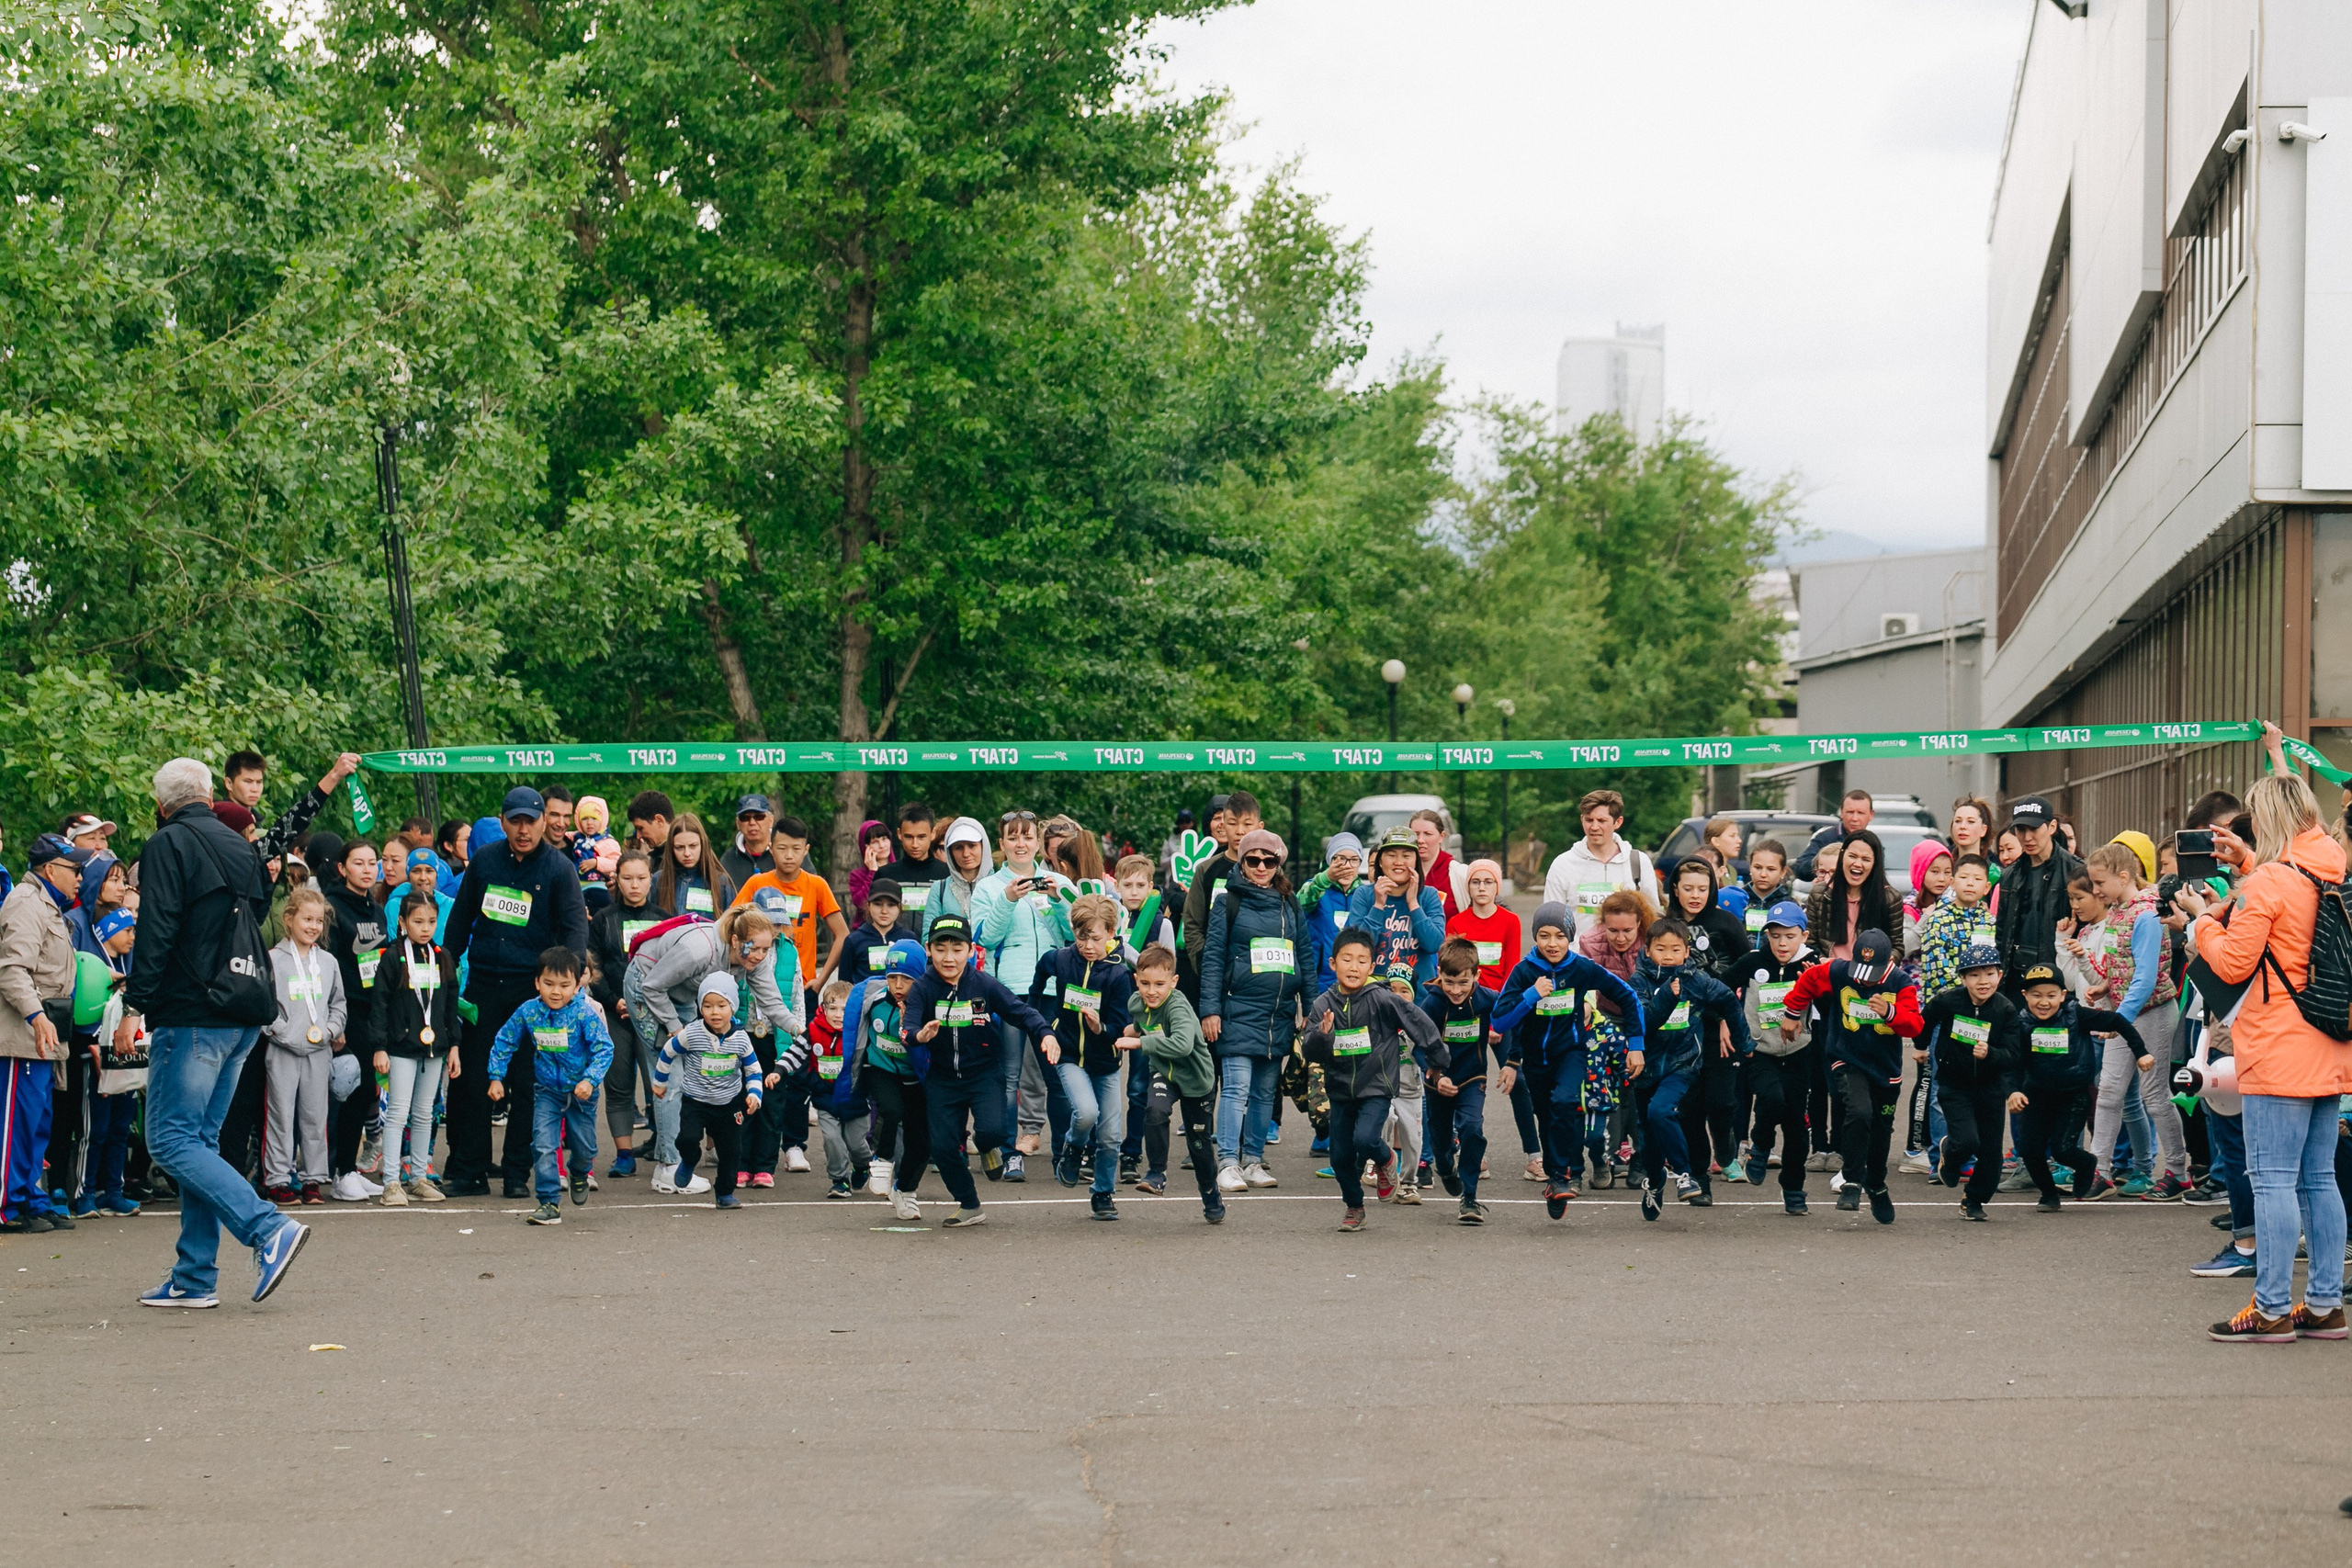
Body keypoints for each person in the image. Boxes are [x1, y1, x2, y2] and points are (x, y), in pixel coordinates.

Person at [129, 758, 310, 1307]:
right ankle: (194, 1277)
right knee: (199, 1142)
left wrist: (136, 1006)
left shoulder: (168, 843)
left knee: (171, 1139)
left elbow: (157, 926)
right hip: (244, 1009)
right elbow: (253, 916)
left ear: (161, 806)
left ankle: (265, 1227)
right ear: (211, 795)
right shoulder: (241, 845)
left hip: (192, 1010)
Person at [2178, 773, 2349, 1344]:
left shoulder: (2269, 883)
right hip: (2331, 1041)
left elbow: (2230, 964)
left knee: (2272, 1179)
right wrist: (2250, 863)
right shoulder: (2332, 869)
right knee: (2319, 1179)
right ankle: (2324, 1304)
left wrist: (2201, 923)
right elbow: (2288, 899)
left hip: (2279, 1045)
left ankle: (2271, 1306)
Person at [439, 786, 591, 1198]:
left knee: (527, 1084)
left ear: (545, 822)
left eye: (531, 821)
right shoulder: (485, 862)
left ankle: (515, 1175)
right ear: (503, 821)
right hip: (484, 986)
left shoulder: (559, 869)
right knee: (471, 1079)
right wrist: (445, 966)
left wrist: (571, 976)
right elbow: (459, 921)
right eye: (515, 821)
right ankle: (468, 1169)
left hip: (534, 994)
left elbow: (576, 926)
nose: (523, 830)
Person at [626, 905, 804, 1191]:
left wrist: (799, 1029)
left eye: (766, 950)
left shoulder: (750, 962)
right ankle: (669, 1167)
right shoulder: (701, 949)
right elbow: (652, 986)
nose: (760, 957)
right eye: (755, 948)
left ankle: (668, 1159)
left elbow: (772, 1003)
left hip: (681, 995)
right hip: (646, 987)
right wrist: (675, 1029)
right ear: (735, 941)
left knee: (686, 1074)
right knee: (673, 1076)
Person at [901, 912, 1055, 1227]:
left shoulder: (983, 984)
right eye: (940, 949)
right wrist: (920, 1036)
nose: (948, 957)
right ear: (928, 949)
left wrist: (1046, 1034)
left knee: (992, 1132)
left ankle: (987, 1150)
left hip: (985, 1072)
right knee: (942, 1147)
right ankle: (970, 1204)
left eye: (957, 949)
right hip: (942, 1078)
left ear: (970, 950)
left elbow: (1021, 1012)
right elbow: (908, 1028)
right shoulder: (922, 988)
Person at [1493, 901, 1645, 1213]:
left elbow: (1628, 997)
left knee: (1564, 1102)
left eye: (1560, 936)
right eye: (1544, 936)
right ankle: (1554, 1178)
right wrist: (1530, 996)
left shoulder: (1581, 968)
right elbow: (1499, 1021)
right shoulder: (1524, 972)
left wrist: (1636, 1044)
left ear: (1570, 938)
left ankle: (1562, 1176)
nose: (1552, 944)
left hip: (1572, 1053)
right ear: (1535, 938)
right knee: (1547, 1117)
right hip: (1536, 1059)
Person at [1300, 928, 1442, 1232]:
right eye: (1347, 960)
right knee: (1340, 1157)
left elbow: (1417, 1021)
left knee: (1365, 1138)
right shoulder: (1322, 1005)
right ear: (1332, 963)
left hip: (1376, 1085)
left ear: (1371, 965)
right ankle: (1355, 1207)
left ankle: (1386, 1158)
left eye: (1362, 961)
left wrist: (1438, 1058)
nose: (1354, 967)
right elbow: (1310, 1051)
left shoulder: (1382, 999)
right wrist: (1324, 1035)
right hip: (1340, 1089)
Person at [1775, 928, 1919, 1224]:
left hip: (1885, 1069)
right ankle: (1852, 1182)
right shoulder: (1840, 971)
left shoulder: (1901, 982)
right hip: (1846, 1057)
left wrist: (1890, 1012)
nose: (1864, 979)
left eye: (1872, 973)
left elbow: (1915, 1026)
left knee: (1879, 1134)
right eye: (1861, 971)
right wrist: (1792, 1012)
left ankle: (1877, 1185)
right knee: (1859, 1111)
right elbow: (1809, 980)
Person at [1198, 828, 1306, 1195]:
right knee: (1236, 1088)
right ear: (1241, 862)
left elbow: (1304, 954)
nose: (1261, 867)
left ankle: (1253, 1160)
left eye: (1269, 860)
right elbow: (1212, 958)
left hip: (1278, 1015)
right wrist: (1210, 1010)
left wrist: (1307, 1005)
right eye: (1253, 860)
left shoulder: (1290, 903)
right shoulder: (1226, 901)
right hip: (1237, 1010)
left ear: (1279, 863)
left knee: (1265, 1092)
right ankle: (1228, 1162)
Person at [965, 810, 1072, 1178]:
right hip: (1010, 989)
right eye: (1013, 837)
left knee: (1055, 1073)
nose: (1021, 844)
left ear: (1038, 843)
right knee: (1009, 1076)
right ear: (1002, 846)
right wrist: (1008, 899)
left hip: (1054, 988)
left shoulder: (1056, 880)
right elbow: (984, 938)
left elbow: (1076, 936)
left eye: (1027, 837)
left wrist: (1060, 900)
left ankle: (1064, 1153)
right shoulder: (990, 887)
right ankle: (1009, 1154)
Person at [1629, 917, 1754, 1217]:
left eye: (1675, 949)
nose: (1668, 955)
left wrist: (1745, 1042)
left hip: (1682, 1065)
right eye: (1661, 949)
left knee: (1662, 1111)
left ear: (1686, 952)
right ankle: (1655, 1181)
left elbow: (1728, 1002)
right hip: (1645, 1069)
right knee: (1648, 1138)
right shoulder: (1639, 981)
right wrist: (1666, 999)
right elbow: (1642, 1023)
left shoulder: (1695, 979)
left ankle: (1685, 1175)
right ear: (1648, 951)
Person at [0, 834, 91, 1235]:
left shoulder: (51, 907)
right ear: (50, 869)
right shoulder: (24, 902)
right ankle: (6, 1204)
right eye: (75, 869)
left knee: (38, 1123)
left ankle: (30, 1199)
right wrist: (36, 1016)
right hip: (23, 1036)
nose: (81, 878)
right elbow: (12, 969)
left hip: (49, 1037)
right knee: (15, 1124)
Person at [485, 946, 613, 1225]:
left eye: (565, 985)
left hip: (581, 1093)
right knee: (543, 1145)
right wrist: (496, 1076)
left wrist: (590, 1080)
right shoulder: (529, 1012)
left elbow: (604, 1049)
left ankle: (579, 1172)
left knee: (586, 1148)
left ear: (577, 983)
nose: (556, 992)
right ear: (537, 983)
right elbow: (505, 1040)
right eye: (549, 984)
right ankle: (549, 1203)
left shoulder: (584, 1013)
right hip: (546, 1091)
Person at [2001, 961, 2142, 1214]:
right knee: (2030, 1149)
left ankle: (2087, 1163)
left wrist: (2141, 1052)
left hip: (2074, 1094)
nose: (2043, 1002)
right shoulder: (2020, 1024)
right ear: (2025, 996)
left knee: (2063, 1150)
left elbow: (2117, 1022)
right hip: (2036, 1094)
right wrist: (2013, 1090)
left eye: (2051, 996)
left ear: (2063, 996)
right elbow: (2013, 1063)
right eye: (2036, 996)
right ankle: (2048, 1194)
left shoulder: (2077, 1015)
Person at [1028, 894, 1136, 1219]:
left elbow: (1121, 1026)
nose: (1088, 945)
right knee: (1086, 1112)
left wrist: (1100, 1026)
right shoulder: (1060, 960)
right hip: (1070, 1054)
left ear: (1112, 933)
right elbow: (1038, 981)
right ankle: (1072, 1148)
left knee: (1110, 1133)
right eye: (1081, 936)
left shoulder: (1118, 975)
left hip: (1106, 1061)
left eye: (1096, 938)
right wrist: (1040, 1022)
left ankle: (1103, 1193)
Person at [1121, 943, 1225, 1222]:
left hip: (1195, 1079)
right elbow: (1146, 1021)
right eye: (1145, 983)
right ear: (1136, 980)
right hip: (1164, 1073)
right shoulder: (1137, 1003)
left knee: (1199, 1147)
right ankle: (1156, 1173)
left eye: (1159, 984)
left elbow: (1181, 1044)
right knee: (1154, 1111)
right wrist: (1136, 1027)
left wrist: (1138, 1041)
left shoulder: (1178, 1006)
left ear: (1173, 982)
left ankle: (1210, 1191)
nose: (1151, 991)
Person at [650, 973, 765, 1212]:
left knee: (731, 1152)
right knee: (687, 1139)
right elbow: (668, 1052)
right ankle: (690, 1161)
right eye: (707, 1005)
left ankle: (724, 1193)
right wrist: (660, 1081)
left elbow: (754, 1070)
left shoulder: (741, 1039)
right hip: (696, 1101)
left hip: (729, 1103)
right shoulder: (691, 1033)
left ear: (732, 1007)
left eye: (721, 1006)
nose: (715, 1012)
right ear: (700, 1007)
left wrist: (754, 1095)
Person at [1920, 944, 2018, 1220]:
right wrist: (1920, 1045)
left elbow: (2013, 1054)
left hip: (1990, 1087)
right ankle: (1949, 1157)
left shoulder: (2005, 1009)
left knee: (1991, 1153)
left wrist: (1991, 1054)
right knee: (1966, 1140)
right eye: (1974, 976)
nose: (1983, 981)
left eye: (1989, 974)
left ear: (2000, 975)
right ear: (1963, 979)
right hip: (1954, 1084)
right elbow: (1925, 1020)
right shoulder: (1949, 1001)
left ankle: (1974, 1200)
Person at [367, 891, 454, 1204]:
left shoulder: (442, 957)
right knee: (398, 1114)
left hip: (434, 1048)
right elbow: (379, 1004)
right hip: (400, 1047)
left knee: (424, 1113)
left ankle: (418, 1175)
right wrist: (379, 1047)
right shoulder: (391, 957)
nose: (426, 928)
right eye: (418, 921)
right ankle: (391, 1181)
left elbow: (448, 1005)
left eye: (431, 921)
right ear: (402, 922)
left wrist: (452, 1045)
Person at [587, 851, 669, 1179]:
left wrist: (649, 1002)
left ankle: (665, 1147)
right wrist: (614, 1000)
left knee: (658, 1085)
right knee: (619, 1086)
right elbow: (593, 967)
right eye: (627, 878)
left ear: (651, 880)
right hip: (615, 1014)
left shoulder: (664, 919)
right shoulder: (603, 919)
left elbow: (672, 966)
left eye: (641, 878)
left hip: (653, 1014)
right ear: (616, 881)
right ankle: (624, 1155)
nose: (634, 885)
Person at [261, 886, 343, 1205]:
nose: (313, 926)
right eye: (307, 919)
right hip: (282, 1049)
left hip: (318, 1050)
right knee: (280, 1115)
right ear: (289, 919)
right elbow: (264, 1006)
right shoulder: (273, 960)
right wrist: (281, 1033)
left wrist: (329, 1031)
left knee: (315, 1114)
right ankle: (278, 1179)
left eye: (319, 921)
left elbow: (339, 1004)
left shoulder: (328, 962)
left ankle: (313, 1178)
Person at [318, 839, 387, 1201]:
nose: (367, 869)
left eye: (371, 863)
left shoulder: (376, 910)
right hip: (346, 1011)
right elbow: (328, 965)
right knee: (351, 1090)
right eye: (358, 863)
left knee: (367, 1094)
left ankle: (351, 1170)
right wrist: (335, 1020)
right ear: (342, 868)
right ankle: (340, 1173)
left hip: (374, 1010)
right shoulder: (331, 908)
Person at [837, 938, 927, 1217]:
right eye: (892, 977)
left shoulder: (927, 1005)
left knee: (923, 1142)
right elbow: (853, 1027)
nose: (898, 985)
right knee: (890, 1109)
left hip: (916, 1078)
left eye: (907, 979)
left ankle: (906, 1189)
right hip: (880, 1069)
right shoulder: (872, 999)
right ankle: (882, 1158)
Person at [1737, 900, 1817, 1213]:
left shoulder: (1812, 964)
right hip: (1761, 1051)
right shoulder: (1753, 961)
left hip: (1800, 1052)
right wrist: (1731, 1026)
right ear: (1766, 935)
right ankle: (1760, 1145)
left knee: (1797, 1126)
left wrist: (1819, 982)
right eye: (1775, 936)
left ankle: (1794, 1188)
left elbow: (1833, 999)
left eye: (1789, 936)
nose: (1782, 943)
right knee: (1771, 1098)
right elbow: (1719, 988)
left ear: (1804, 935)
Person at [1420, 936, 1504, 1223]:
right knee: (1440, 1144)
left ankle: (1470, 1197)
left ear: (1476, 977)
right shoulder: (1431, 1005)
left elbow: (1512, 1016)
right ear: (1439, 975)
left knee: (1472, 1127)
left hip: (1472, 1076)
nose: (1455, 990)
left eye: (1463, 983)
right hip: (1439, 1080)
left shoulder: (1487, 999)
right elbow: (1418, 1045)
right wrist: (1434, 1073)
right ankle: (1445, 1168)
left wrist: (1511, 1061)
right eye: (1448, 982)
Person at [734, 814, 846, 1012]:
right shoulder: (756, 883)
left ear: (806, 850)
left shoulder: (817, 885)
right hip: (760, 985)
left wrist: (821, 980)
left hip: (803, 988)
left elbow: (843, 934)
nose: (789, 855)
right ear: (770, 849)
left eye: (796, 849)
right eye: (782, 848)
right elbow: (731, 924)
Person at [1543, 789, 1661, 934]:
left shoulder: (1638, 862)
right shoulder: (1563, 865)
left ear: (1618, 822)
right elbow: (1550, 923)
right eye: (1589, 820)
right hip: (1579, 955)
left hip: (1628, 956)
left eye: (1602, 821)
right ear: (1582, 819)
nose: (1594, 827)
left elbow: (1653, 917)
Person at [1347, 829, 1446, 997]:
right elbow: (1357, 948)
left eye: (1406, 856)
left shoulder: (1428, 895)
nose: (1398, 862)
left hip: (1418, 998)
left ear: (1416, 861)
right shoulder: (1364, 895)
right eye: (1391, 855)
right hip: (1374, 996)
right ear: (1380, 862)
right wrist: (1378, 905)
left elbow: (1433, 944)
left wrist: (1414, 904)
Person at [1179, 791, 1257, 1001]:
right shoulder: (1206, 869)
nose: (1238, 831)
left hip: (1254, 977)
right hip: (1210, 974)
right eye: (1230, 822)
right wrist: (1204, 962)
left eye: (1245, 824)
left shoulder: (1266, 867)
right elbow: (1192, 923)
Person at [1995, 795, 2082, 982]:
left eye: (2034, 829)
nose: (2027, 837)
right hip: (2014, 977)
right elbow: (2001, 935)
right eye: (2021, 830)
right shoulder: (2009, 875)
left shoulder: (2075, 871)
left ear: (2052, 827)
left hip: (2058, 976)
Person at [806, 980, 870, 1201]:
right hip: (826, 1098)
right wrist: (779, 1070)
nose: (838, 1014)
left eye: (845, 1009)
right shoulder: (813, 1030)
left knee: (857, 1145)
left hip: (855, 1100)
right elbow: (795, 1053)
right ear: (823, 1008)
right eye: (832, 1008)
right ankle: (839, 1180)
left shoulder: (861, 1032)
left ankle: (862, 1166)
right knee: (832, 1139)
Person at [1804, 830, 1896, 963]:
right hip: (1829, 972)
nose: (1858, 864)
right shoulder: (1819, 894)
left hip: (1870, 975)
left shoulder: (1889, 898)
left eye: (1865, 859)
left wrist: (1884, 962)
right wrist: (1822, 961)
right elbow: (1809, 941)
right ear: (1843, 858)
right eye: (1852, 856)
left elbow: (1896, 946)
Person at [1297, 832, 1367, 994]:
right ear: (1329, 861)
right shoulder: (1317, 887)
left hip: (1356, 981)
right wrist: (1326, 878)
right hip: (1320, 980)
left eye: (1353, 860)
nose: (1347, 866)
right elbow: (1299, 903)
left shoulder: (1364, 894)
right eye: (1340, 859)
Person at [1447, 859, 1521, 991]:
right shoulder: (1455, 923)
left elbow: (1512, 968)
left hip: (1498, 997)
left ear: (1497, 886)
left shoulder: (1511, 921)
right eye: (1475, 882)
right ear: (1468, 887)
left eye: (1488, 882)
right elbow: (1451, 968)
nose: (1481, 888)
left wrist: (1504, 1000)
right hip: (1465, 996)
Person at [833, 878, 916, 988]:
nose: (884, 911)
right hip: (864, 1002)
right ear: (868, 906)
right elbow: (844, 985)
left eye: (891, 905)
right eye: (878, 904)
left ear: (900, 908)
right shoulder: (854, 940)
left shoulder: (908, 939)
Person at [876, 803, 951, 924]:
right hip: (894, 942)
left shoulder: (946, 874)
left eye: (921, 837)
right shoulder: (885, 874)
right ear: (899, 834)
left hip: (935, 941)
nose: (915, 844)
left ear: (933, 833)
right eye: (909, 837)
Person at [655, 811, 735, 919]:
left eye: (693, 846)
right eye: (680, 847)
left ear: (703, 845)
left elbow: (731, 926)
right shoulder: (658, 881)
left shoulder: (720, 882)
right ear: (671, 848)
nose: (687, 853)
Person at [924, 818, 992, 934]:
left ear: (983, 846)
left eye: (972, 846)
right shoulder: (939, 889)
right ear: (950, 852)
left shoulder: (1002, 885)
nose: (966, 854)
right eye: (958, 847)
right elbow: (928, 934)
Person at [1793, 789, 1876, 883]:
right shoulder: (1825, 838)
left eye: (1860, 813)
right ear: (1841, 812)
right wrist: (1823, 865)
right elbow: (1800, 868)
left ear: (1871, 815)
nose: (1855, 818)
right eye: (1850, 812)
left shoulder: (1873, 843)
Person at [1411, 807, 1467, 919]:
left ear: (1442, 836)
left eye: (1428, 834)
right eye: (1416, 834)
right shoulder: (1401, 872)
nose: (1420, 840)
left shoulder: (1459, 873)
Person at [722, 795, 779, 888]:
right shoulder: (728, 860)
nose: (752, 822)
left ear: (771, 821)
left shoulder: (787, 854)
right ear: (738, 823)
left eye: (759, 817)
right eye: (745, 818)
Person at [848, 820, 895, 913]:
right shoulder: (857, 875)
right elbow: (861, 903)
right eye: (875, 842)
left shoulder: (899, 870)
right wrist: (872, 872)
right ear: (866, 847)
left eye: (884, 839)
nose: (882, 846)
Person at [625, 792, 674, 858]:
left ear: (659, 821)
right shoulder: (655, 859)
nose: (638, 836)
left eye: (640, 828)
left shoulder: (684, 857)